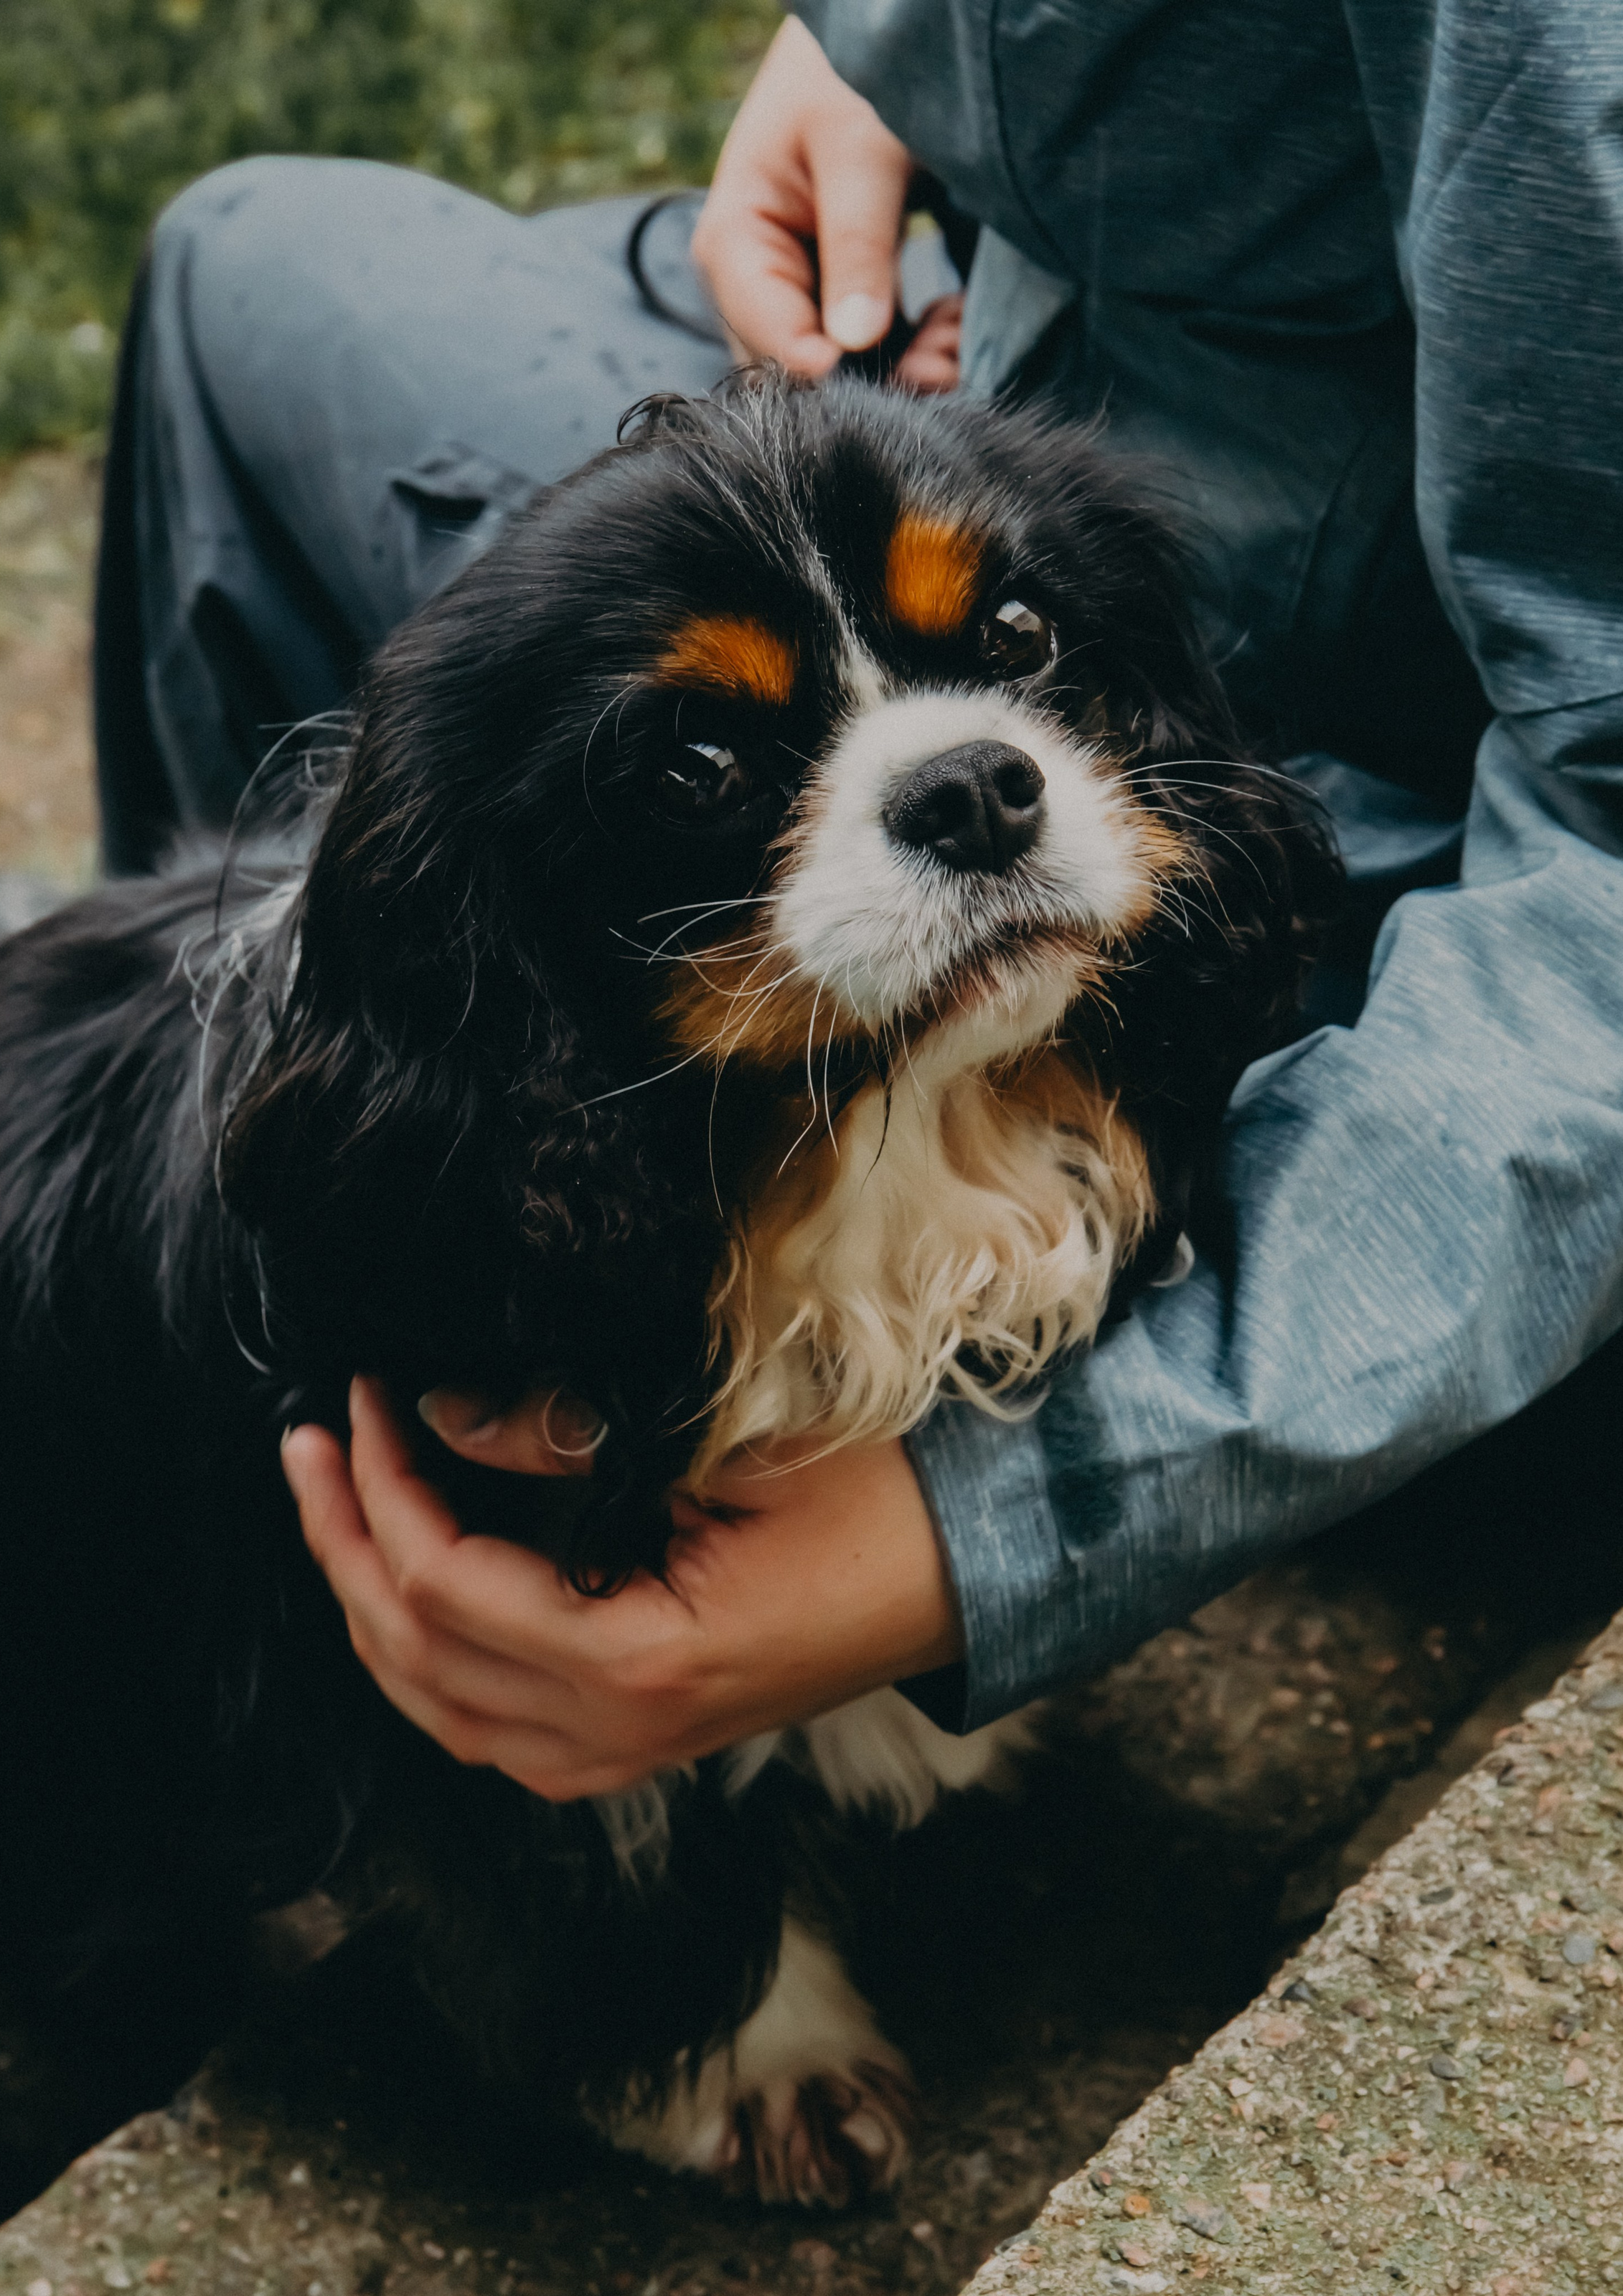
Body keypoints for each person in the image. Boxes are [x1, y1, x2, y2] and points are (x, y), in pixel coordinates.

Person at [95, 2, 1623, 1804]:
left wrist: (991, 1526)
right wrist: (906, 62)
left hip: (1355, 831)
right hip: (1003, 372)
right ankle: (278, 1182)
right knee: (237, 267)